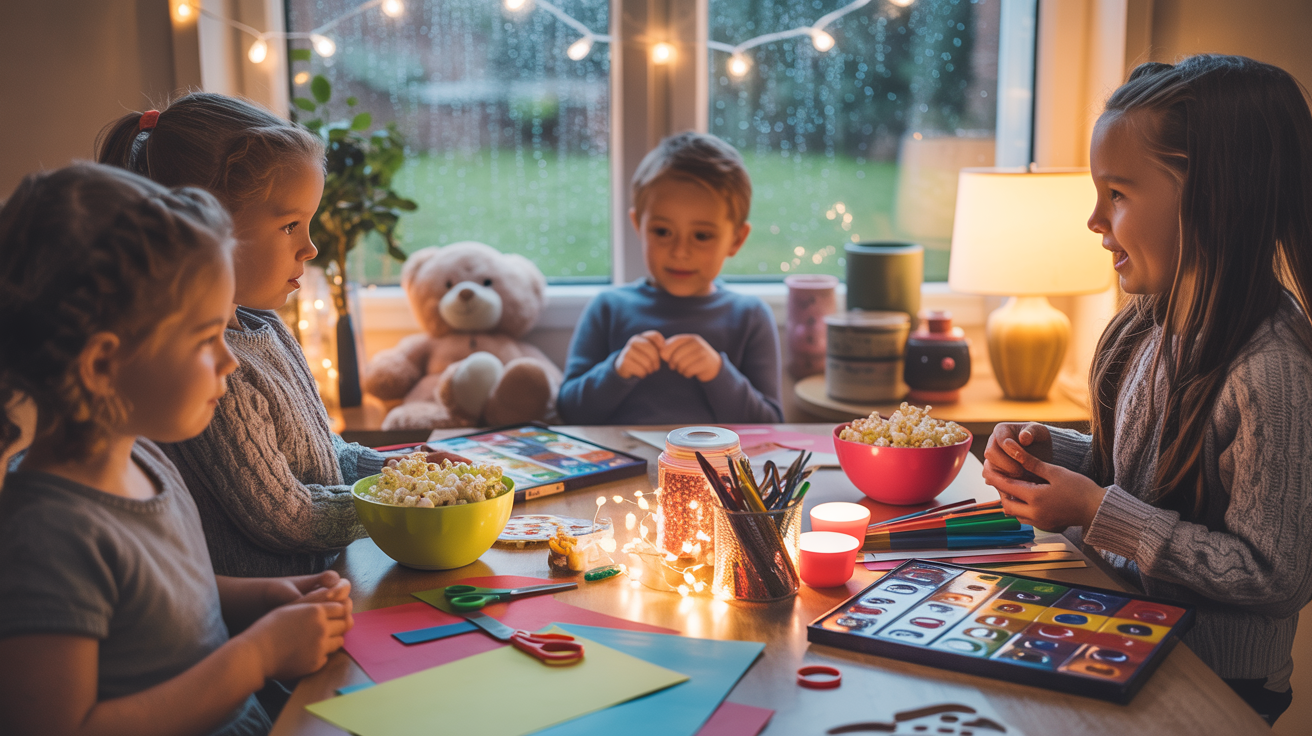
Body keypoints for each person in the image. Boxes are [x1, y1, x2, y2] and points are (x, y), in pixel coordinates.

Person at [980, 55, 1312, 726]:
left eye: (1119, 193)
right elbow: (1139, 478)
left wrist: (1098, 511)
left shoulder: (1273, 370)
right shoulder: (1146, 326)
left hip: (1214, 686)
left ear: (1214, 197)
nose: (1095, 219)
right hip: (1123, 634)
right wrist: (1056, 458)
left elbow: (1274, 576)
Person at [0, 164, 354, 736]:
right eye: (205, 338)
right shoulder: (47, 534)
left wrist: (268, 598)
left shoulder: (145, 457)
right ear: (101, 364)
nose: (230, 360)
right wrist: (256, 657)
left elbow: (164, 600)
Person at [96, 93, 462, 577]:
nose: (309, 248)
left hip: (328, 579)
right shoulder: (206, 370)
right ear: (208, 228)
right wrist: (406, 499)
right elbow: (286, 516)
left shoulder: (265, 328)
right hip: (274, 609)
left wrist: (404, 469)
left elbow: (326, 455)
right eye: (291, 225)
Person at [557, 132, 783, 424]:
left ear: (737, 240)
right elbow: (569, 412)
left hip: (714, 471)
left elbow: (771, 425)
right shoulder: (608, 308)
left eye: (702, 236)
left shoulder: (751, 317)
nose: (679, 251)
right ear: (638, 224)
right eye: (662, 232)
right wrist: (616, 372)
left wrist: (718, 373)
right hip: (625, 469)